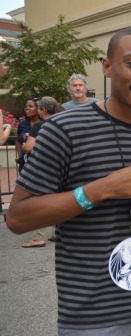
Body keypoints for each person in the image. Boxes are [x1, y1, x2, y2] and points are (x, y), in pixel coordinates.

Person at [6, 27, 131, 335]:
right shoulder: (64, 129)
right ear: (107, 67)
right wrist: (101, 189)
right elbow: (16, 218)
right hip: (93, 318)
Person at [20, 96, 64, 248]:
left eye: (38, 108)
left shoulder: (39, 126)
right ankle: (58, 232)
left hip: (44, 167)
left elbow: (28, 148)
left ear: (43, 110)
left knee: (40, 201)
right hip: (62, 166)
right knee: (59, 199)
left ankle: (38, 237)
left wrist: (27, 143)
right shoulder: (62, 123)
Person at [15, 98, 41, 173]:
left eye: (30, 106)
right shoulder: (22, 124)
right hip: (25, 162)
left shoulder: (44, 123)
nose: (27, 108)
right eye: (26, 106)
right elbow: (18, 140)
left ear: (38, 108)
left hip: (39, 162)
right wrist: (20, 155)